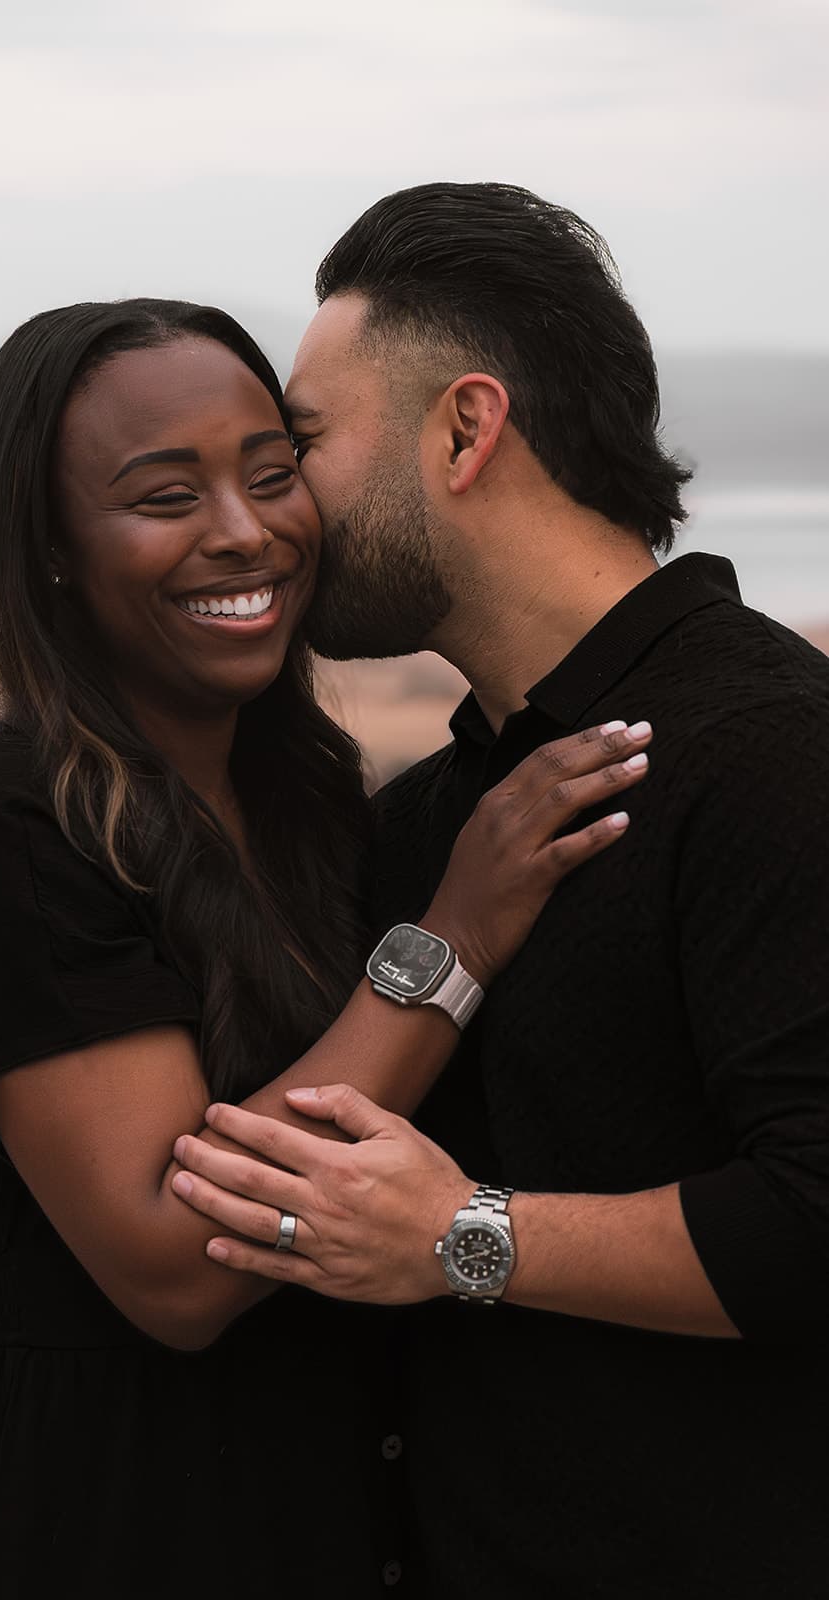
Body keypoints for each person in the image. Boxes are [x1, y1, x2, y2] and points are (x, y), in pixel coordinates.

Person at [0, 294, 650, 1598]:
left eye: (274, 473)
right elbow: (177, 1271)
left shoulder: (312, 800)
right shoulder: (9, 825)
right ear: (50, 546)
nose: (244, 531)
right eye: (165, 496)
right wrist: (452, 939)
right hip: (119, 1523)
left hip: (343, 1507)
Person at [154, 184, 829, 1597]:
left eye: (302, 446)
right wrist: (42, 1228)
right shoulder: (428, 822)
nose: (281, 511)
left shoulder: (777, 755)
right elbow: (311, 1173)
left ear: (466, 430)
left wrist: (468, 1238)